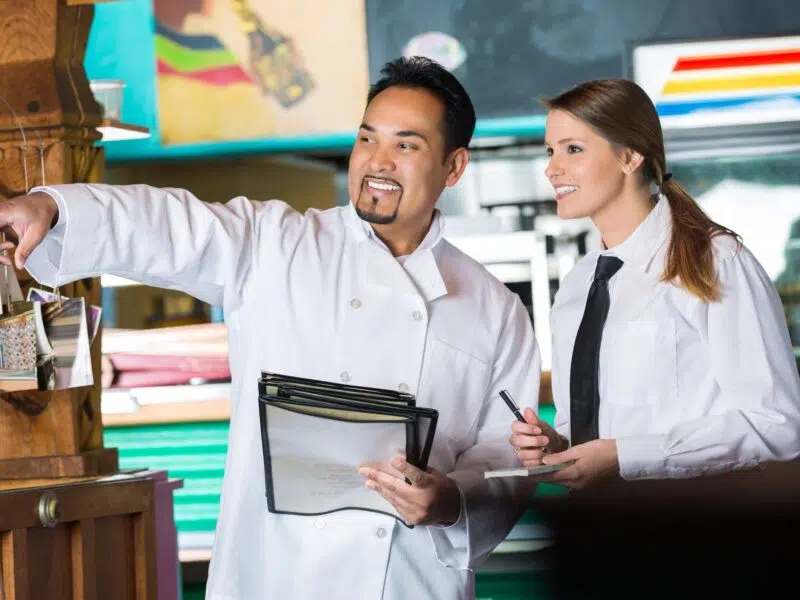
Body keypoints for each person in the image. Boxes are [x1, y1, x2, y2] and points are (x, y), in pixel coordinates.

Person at [0, 57, 540, 599]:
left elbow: (508, 458)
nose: (377, 161)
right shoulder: (276, 246)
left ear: (454, 166)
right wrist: (50, 207)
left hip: (409, 581)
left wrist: (451, 501)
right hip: (279, 575)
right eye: (367, 138)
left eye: (406, 145)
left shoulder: (494, 310)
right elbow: (168, 224)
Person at [505, 78, 800, 600]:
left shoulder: (714, 260)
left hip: (704, 549)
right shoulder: (577, 285)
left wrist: (624, 455)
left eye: (573, 149)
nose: (552, 168)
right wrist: (559, 448)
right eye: (550, 151)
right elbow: (591, 435)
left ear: (630, 156)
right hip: (603, 548)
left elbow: (777, 425)